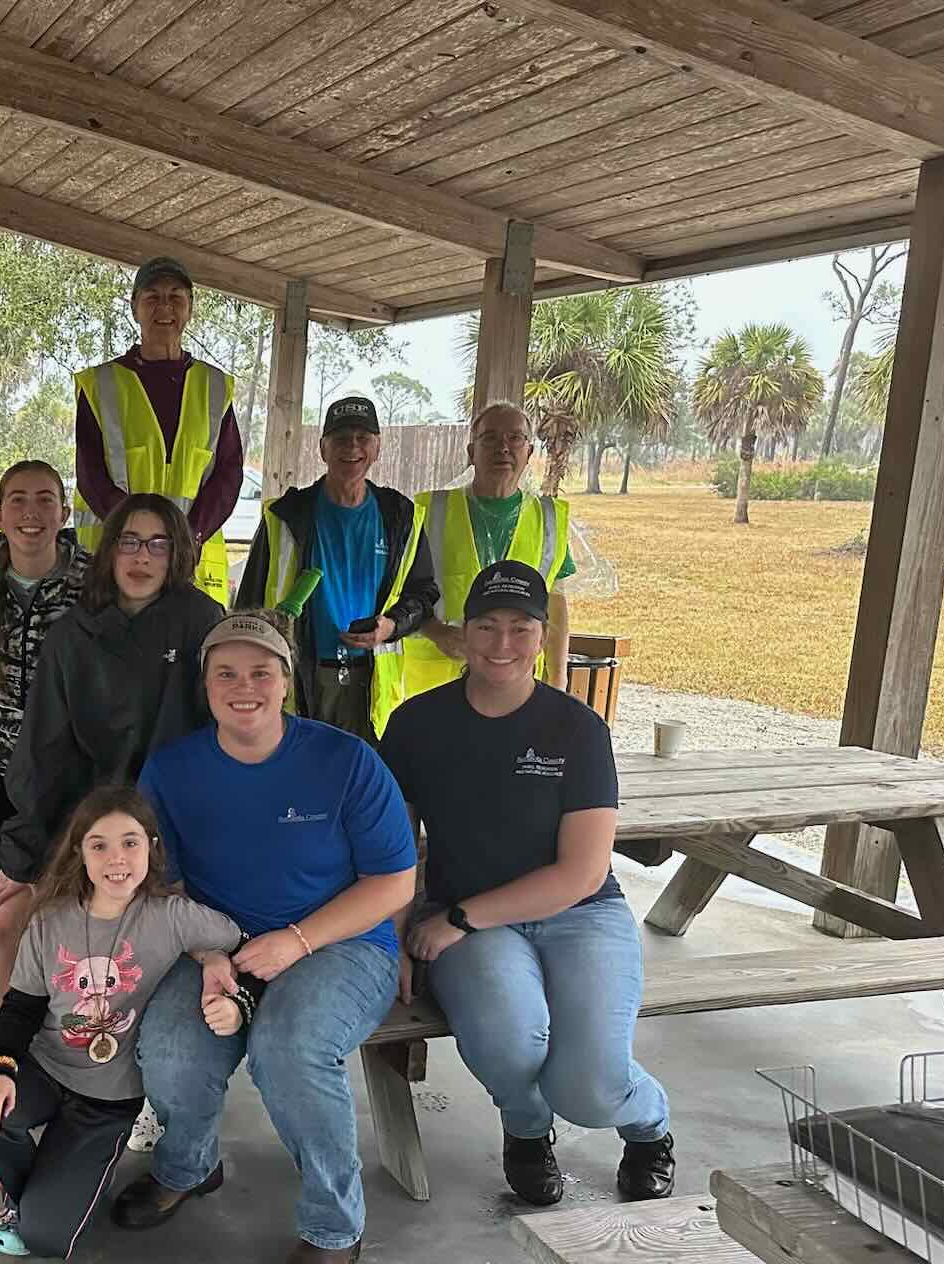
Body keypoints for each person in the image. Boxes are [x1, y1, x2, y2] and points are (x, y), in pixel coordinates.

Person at [123, 612, 415, 1264]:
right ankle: (188, 1167)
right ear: (205, 684)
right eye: (226, 671)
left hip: (340, 944)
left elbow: (393, 882)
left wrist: (297, 941)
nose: (243, 686)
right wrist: (206, 952)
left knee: (289, 1048)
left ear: (287, 681)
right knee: (167, 1044)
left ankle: (333, 1227)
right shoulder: (174, 769)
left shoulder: (344, 761)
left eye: (261, 671)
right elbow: (161, 881)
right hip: (217, 942)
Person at [379, 561, 675, 1206]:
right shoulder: (415, 724)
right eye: (486, 625)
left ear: (542, 636)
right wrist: (393, 936)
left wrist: (457, 921)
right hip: (465, 920)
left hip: (577, 915)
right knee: (510, 1041)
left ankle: (649, 1126)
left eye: (521, 627)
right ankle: (526, 1129)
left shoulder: (576, 729)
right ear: (462, 633)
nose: (502, 644)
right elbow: (394, 849)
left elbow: (582, 872)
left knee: (590, 1086)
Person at [0, 493, 223, 1147]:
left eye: (158, 543)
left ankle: (135, 1086)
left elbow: (215, 736)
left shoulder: (200, 622)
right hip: (83, 817)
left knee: (129, 944)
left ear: (179, 553)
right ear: (108, 551)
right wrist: (25, 851)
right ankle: (6, 1062)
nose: (142, 557)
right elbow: (43, 748)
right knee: (6, 919)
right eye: (130, 542)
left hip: (166, 824)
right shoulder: (73, 632)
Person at [0, 787, 243, 1259]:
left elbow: (235, 937)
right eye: (99, 845)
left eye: (131, 842)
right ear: (79, 854)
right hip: (46, 1070)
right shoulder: (50, 921)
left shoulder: (171, 918)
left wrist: (211, 956)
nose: (117, 858)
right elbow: (21, 1005)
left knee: (46, 1239)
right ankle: (24, 1194)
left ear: (152, 848)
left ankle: (57, 1186)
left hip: (107, 1100)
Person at [235, 395, 438, 743]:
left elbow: (424, 594)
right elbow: (249, 604)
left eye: (363, 438)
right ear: (323, 449)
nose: (353, 447)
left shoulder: (401, 517)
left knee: (363, 785)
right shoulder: (285, 516)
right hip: (299, 680)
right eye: (342, 438)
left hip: (372, 685)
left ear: (377, 448)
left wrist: (391, 625)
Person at [0, 459, 90, 964]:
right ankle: (9, 995)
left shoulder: (91, 577)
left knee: (74, 875)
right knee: (10, 870)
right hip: (2, 755)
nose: (31, 513)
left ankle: (66, 988)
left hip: (73, 759)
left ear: (64, 510)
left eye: (45, 499)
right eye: (18, 500)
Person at [74, 256, 244, 604]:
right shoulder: (101, 383)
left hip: (192, 562)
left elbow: (229, 472)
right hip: (120, 557)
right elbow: (90, 473)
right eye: (152, 296)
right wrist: (137, 537)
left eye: (176, 297)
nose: (164, 307)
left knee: (188, 653)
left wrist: (190, 535)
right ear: (134, 307)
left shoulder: (214, 386)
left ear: (190, 309)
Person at [404, 401, 573, 698]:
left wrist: (558, 679)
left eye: (515, 438)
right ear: (472, 452)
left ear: (529, 451)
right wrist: (434, 630)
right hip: (436, 677)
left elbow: (556, 604)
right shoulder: (428, 511)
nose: (503, 447)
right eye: (490, 438)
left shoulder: (548, 520)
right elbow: (397, 591)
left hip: (515, 676)